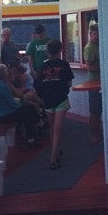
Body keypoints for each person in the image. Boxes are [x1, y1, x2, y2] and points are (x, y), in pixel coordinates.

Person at [37, 39, 74, 170]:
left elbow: (38, 84)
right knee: (58, 129)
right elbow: (69, 83)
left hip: (47, 100)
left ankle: (55, 152)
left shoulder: (43, 66)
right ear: (60, 50)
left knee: (52, 128)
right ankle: (53, 159)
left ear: (48, 51)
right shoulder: (64, 65)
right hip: (61, 99)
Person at [0, 63, 40, 145]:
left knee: (27, 108)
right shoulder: (3, 86)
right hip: (5, 115)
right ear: (4, 74)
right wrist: (23, 105)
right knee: (28, 109)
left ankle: (31, 134)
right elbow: (12, 103)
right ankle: (32, 135)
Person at [83, 22, 103, 144]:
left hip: (100, 82)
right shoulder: (90, 48)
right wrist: (104, 68)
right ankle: (94, 135)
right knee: (95, 111)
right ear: (90, 35)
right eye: (94, 34)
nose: (96, 36)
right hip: (93, 83)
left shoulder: (99, 46)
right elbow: (89, 67)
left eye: (98, 34)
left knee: (98, 110)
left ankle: (98, 134)